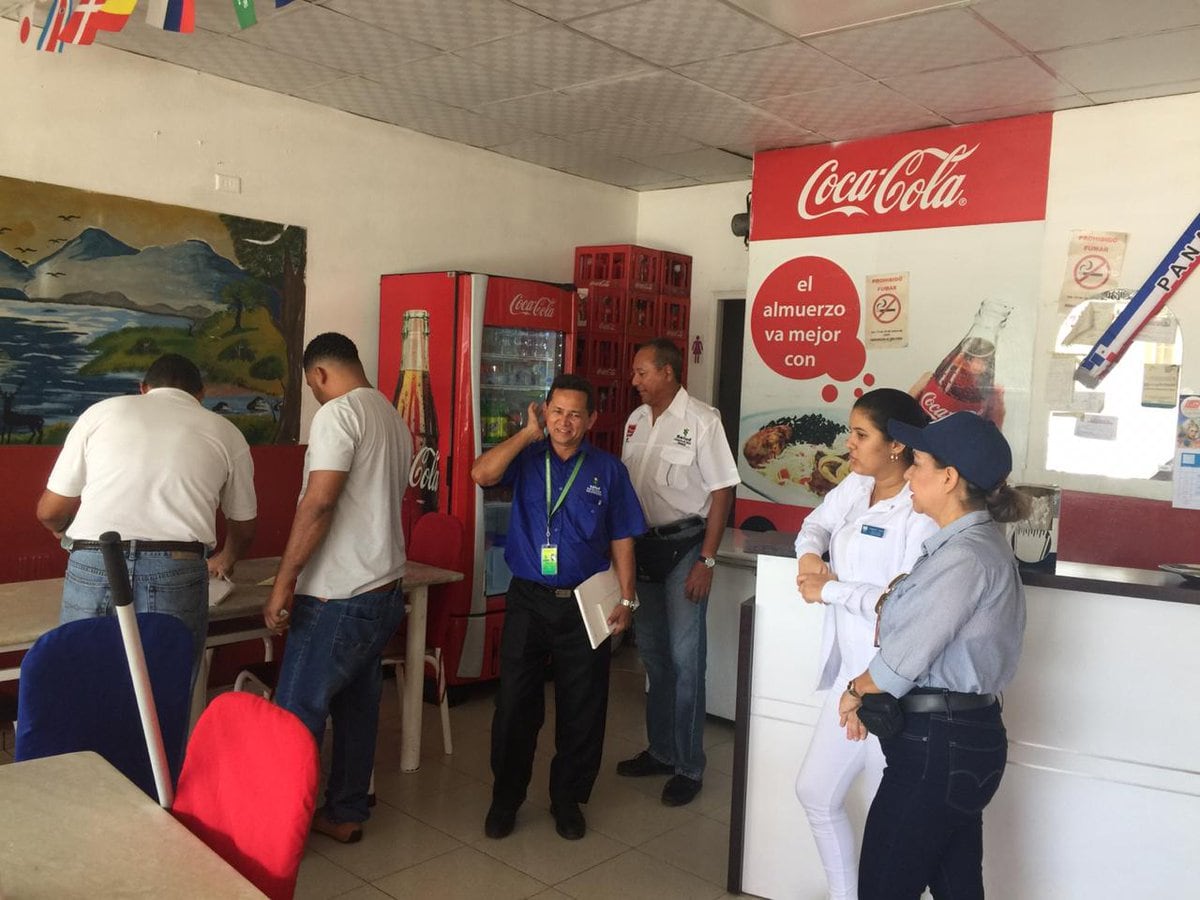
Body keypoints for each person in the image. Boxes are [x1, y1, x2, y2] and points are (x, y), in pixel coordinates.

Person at [837, 411, 1028, 900]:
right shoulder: (961, 546)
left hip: (940, 749)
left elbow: (905, 656)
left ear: (948, 478)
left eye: (917, 462)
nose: (907, 473)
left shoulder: (965, 556)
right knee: (957, 886)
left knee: (883, 888)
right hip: (955, 741)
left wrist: (857, 689)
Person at [472, 373, 645, 841]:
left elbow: (622, 536)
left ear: (591, 419)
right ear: (544, 413)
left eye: (574, 414)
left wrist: (627, 599)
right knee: (514, 707)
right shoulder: (527, 457)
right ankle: (505, 799)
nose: (564, 422)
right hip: (527, 600)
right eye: (556, 412)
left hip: (585, 604)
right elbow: (481, 474)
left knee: (582, 709)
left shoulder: (607, 470)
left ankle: (567, 800)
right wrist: (527, 434)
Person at [264, 332, 411, 845]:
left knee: (295, 712)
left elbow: (320, 502)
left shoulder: (337, 415)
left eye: (311, 386)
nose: (315, 395)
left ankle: (276, 831)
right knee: (357, 710)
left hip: (337, 594)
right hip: (384, 588)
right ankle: (345, 811)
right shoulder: (393, 418)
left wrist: (284, 583)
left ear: (320, 374)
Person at [793, 388, 937, 900]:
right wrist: (810, 556)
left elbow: (903, 600)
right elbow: (815, 525)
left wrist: (829, 588)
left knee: (890, 822)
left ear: (896, 445)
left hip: (891, 681)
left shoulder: (919, 510)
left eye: (860, 434)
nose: (847, 444)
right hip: (849, 677)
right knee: (814, 791)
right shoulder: (857, 484)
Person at [36, 353, 257, 674]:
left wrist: (64, 531)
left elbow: (49, 511)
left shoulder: (100, 414)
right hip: (176, 567)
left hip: (95, 561)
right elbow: (245, 526)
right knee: (165, 692)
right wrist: (227, 558)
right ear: (201, 395)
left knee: (82, 686)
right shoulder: (227, 432)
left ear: (143, 388)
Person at [617, 338, 740, 807]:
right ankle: (661, 751)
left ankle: (689, 765)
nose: (635, 381)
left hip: (687, 546)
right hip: (643, 547)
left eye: (642, 372)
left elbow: (723, 491)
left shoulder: (703, 422)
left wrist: (707, 560)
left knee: (688, 660)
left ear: (668, 372)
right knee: (653, 655)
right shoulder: (634, 421)